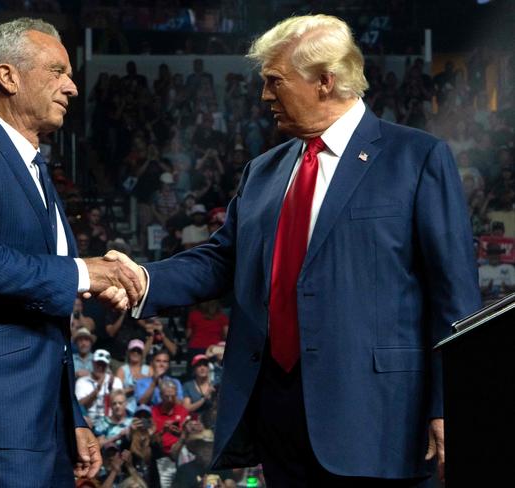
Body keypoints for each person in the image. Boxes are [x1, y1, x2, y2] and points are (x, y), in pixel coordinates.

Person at [120, 14, 482, 486]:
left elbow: (455, 298)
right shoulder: (264, 171)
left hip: (381, 420)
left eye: (274, 81)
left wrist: (449, 406)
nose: (265, 95)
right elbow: (219, 260)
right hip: (280, 419)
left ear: (325, 81)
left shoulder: (416, 158)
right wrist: (141, 279)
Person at [0, 18, 142, 487]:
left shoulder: (33, 167)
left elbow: (44, 322)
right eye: (57, 71)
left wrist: (70, 415)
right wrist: (83, 272)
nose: (72, 87)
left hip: (42, 415)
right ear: (8, 76)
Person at [75, 349, 124, 426]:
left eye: (103, 365)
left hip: (110, 423)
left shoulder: (115, 381)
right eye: (98, 364)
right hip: (88, 422)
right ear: (93, 363)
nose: (100, 367)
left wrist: (110, 390)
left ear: (107, 366)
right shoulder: (82, 382)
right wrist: (96, 390)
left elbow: (120, 406)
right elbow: (79, 406)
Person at [116, 339, 151, 414]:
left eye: (139, 351)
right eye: (133, 350)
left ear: (142, 354)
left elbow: (154, 389)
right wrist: (133, 389)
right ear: (128, 352)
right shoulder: (122, 370)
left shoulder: (149, 370)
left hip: (145, 407)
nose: (135, 353)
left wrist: (145, 379)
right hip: (127, 408)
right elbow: (117, 393)